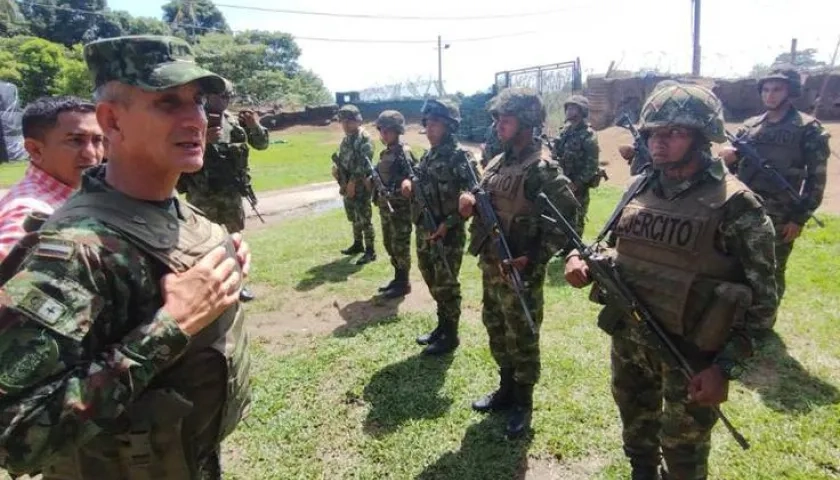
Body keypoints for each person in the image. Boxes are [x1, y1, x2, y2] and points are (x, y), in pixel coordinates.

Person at [0, 35, 254, 479]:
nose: (195, 118)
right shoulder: (75, 249)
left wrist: (220, 252)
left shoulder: (170, 207)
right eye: (167, 102)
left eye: (197, 101)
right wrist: (169, 327)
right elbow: (16, 438)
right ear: (112, 122)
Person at [564, 83, 777, 479]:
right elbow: (607, 243)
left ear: (702, 136)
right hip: (630, 338)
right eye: (653, 133)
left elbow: (763, 303)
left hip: (690, 354)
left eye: (674, 133)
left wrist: (724, 368)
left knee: (683, 454)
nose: (659, 143)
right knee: (636, 428)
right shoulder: (640, 186)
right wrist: (579, 259)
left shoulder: (736, 205)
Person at [458, 87, 579, 438]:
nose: (498, 126)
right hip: (492, 266)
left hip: (521, 271)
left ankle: (523, 404)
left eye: (505, 119)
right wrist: (468, 201)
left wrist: (536, 257)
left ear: (525, 121)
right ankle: (506, 388)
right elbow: (483, 199)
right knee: (496, 328)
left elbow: (568, 221)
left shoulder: (542, 168)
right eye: (496, 119)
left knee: (523, 336)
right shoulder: (498, 162)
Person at [721, 65, 831, 318]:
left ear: (790, 91)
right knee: (737, 263)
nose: (770, 95)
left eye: (777, 89)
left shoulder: (808, 128)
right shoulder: (749, 127)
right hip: (743, 209)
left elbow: (816, 180)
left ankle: (762, 321)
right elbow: (731, 170)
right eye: (766, 89)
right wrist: (728, 157)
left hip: (781, 214)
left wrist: (798, 218)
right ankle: (736, 315)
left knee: (770, 268)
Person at [177, 79, 269, 302]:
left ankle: (237, 285)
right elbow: (177, 152)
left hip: (230, 193)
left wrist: (255, 126)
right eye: (219, 96)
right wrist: (202, 140)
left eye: (228, 97)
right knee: (201, 243)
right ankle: (208, 289)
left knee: (232, 239)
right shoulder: (191, 119)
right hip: (202, 192)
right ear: (207, 96)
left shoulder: (234, 122)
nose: (223, 101)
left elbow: (262, 144)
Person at [401, 99, 476, 355]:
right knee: (431, 278)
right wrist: (408, 184)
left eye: (436, 123)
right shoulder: (428, 156)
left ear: (450, 126)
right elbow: (418, 180)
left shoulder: (460, 157)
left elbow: (472, 194)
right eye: (428, 123)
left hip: (448, 233)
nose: (430, 128)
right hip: (424, 229)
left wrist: (449, 223)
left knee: (446, 283)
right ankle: (441, 326)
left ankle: (451, 335)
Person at [0, 96, 104, 261]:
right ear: (35, 150)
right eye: (76, 141)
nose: (91, 154)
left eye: (98, 140)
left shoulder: (72, 196)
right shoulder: (30, 212)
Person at [374, 110, 417, 298]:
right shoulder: (386, 152)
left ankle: (403, 282)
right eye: (381, 130)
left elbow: (414, 177)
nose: (384, 134)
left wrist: (407, 184)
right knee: (389, 243)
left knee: (400, 245)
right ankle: (397, 278)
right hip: (386, 207)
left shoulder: (404, 153)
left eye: (388, 131)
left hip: (400, 209)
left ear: (398, 131)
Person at [550, 94, 601, 235]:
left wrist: (577, 183)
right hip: (563, 181)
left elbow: (592, 165)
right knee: (562, 215)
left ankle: (575, 249)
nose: (568, 111)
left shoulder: (588, 135)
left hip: (579, 186)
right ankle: (564, 245)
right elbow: (555, 154)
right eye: (568, 108)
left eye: (573, 108)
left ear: (581, 111)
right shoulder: (564, 132)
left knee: (577, 217)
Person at [333, 104, 377, 265]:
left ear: (358, 121)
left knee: (365, 218)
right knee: (354, 217)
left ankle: (370, 250)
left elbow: (364, 164)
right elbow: (344, 160)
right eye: (343, 122)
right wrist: (338, 172)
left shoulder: (364, 138)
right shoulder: (346, 139)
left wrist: (352, 182)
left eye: (349, 121)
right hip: (347, 183)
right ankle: (358, 244)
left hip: (361, 184)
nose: (345, 125)